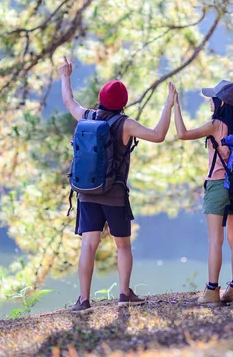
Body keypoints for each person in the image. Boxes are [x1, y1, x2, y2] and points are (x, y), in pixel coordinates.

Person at [58, 56, 176, 313]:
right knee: (122, 245)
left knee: (89, 245)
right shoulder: (125, 124)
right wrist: (168, 105)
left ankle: (83, 300)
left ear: (100, 97)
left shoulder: (87, 116)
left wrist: (65, 75)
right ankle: (124, 295)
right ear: (123, 103)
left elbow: (69, 101)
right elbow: (158, 135)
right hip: (114, 194)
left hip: (87, 192)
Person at [173, 80, 233, 306]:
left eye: (212, 99)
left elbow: (182, 133)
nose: (209, 102)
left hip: (218, 185)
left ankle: (211, 292)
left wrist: (176, 106)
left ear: (220, 102)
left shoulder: (216, 125)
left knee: (215, 240)